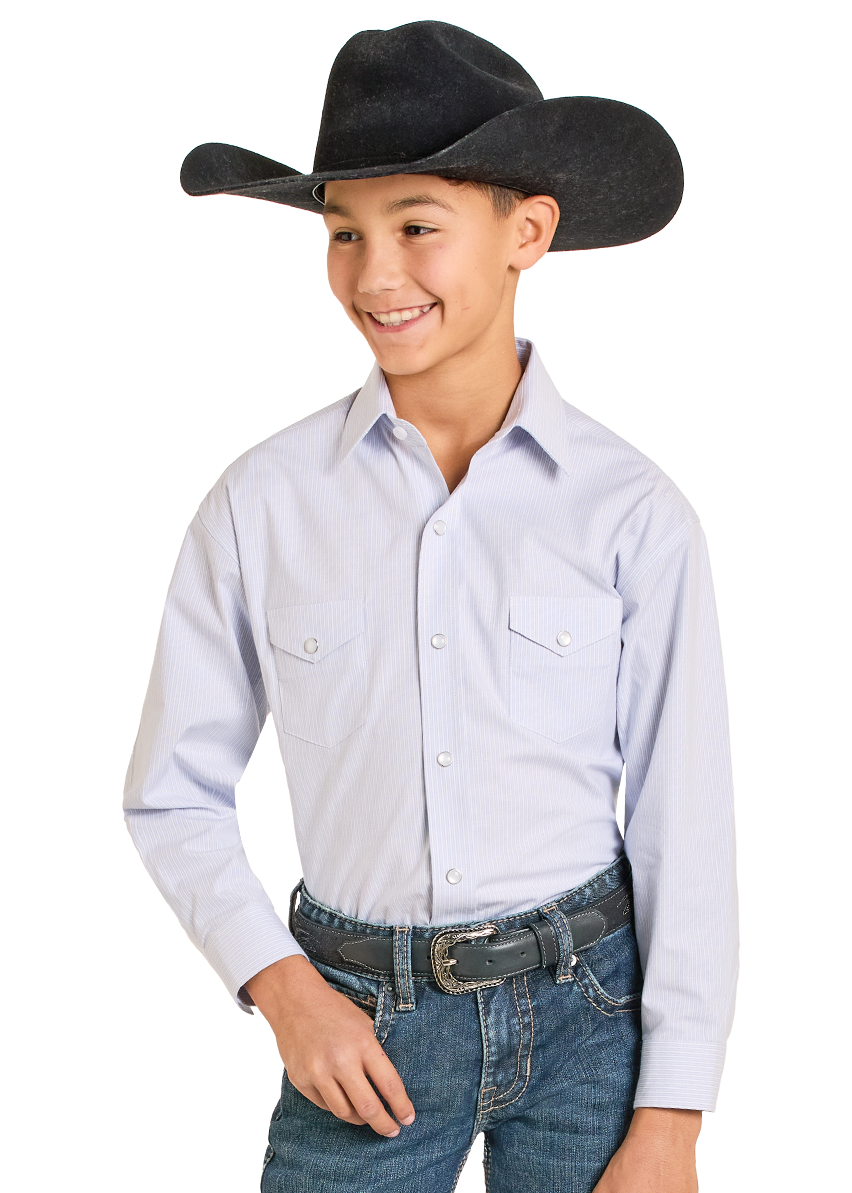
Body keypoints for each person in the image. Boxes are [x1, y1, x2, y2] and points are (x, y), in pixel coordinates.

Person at [124, 19, 739, 1193]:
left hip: (589, 1023)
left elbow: (685, 821)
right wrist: (284, 988)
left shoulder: (633, 512)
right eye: (342, 233)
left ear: (528, 232)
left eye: (416, 227)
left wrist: (673, 1118)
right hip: (358, 1020)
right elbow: (171, 792)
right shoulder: (263, 503)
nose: (373, 275)